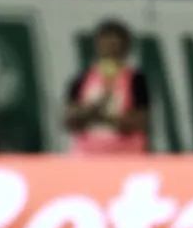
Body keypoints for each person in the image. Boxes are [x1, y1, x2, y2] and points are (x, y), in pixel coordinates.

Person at [64, 19, 149, 154]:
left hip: (125, 156)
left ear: (126, 48)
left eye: (116, 46)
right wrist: (93, 110)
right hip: (88, 156)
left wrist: (102, 116)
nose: (111, 50)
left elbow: (140, 123)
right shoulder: (81, 80)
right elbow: (69, 120)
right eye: (107, 45)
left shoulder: (136, 81)